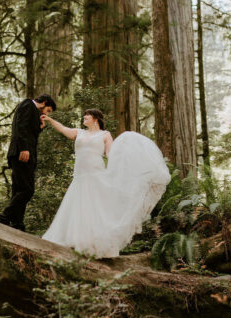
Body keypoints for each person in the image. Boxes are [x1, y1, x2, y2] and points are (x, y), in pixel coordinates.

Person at [40, 108, 171, 258]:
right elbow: (64, 129)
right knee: (78, 208)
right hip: (80, 177)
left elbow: (111, 155)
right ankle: (76, 242)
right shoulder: (79, 133)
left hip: (96, 175)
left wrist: (126, 163)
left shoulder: (105, 135)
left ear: (95, 119)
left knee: (95, 211)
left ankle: (95, 245)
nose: (84, 118)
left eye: (87, 116)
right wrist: (50, 120)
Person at [0, 94, 56, 231]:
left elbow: (30, 133)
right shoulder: (28, 104)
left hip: (24, 153)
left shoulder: (33, 111)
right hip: (21, 153)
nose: (46, 113)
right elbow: (21, 127)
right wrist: (24, 148)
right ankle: (5, 216)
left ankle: (17, 223)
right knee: (27, 190)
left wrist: (40, 126)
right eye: (48, 110)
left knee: (19, 188)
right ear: (45, 103)